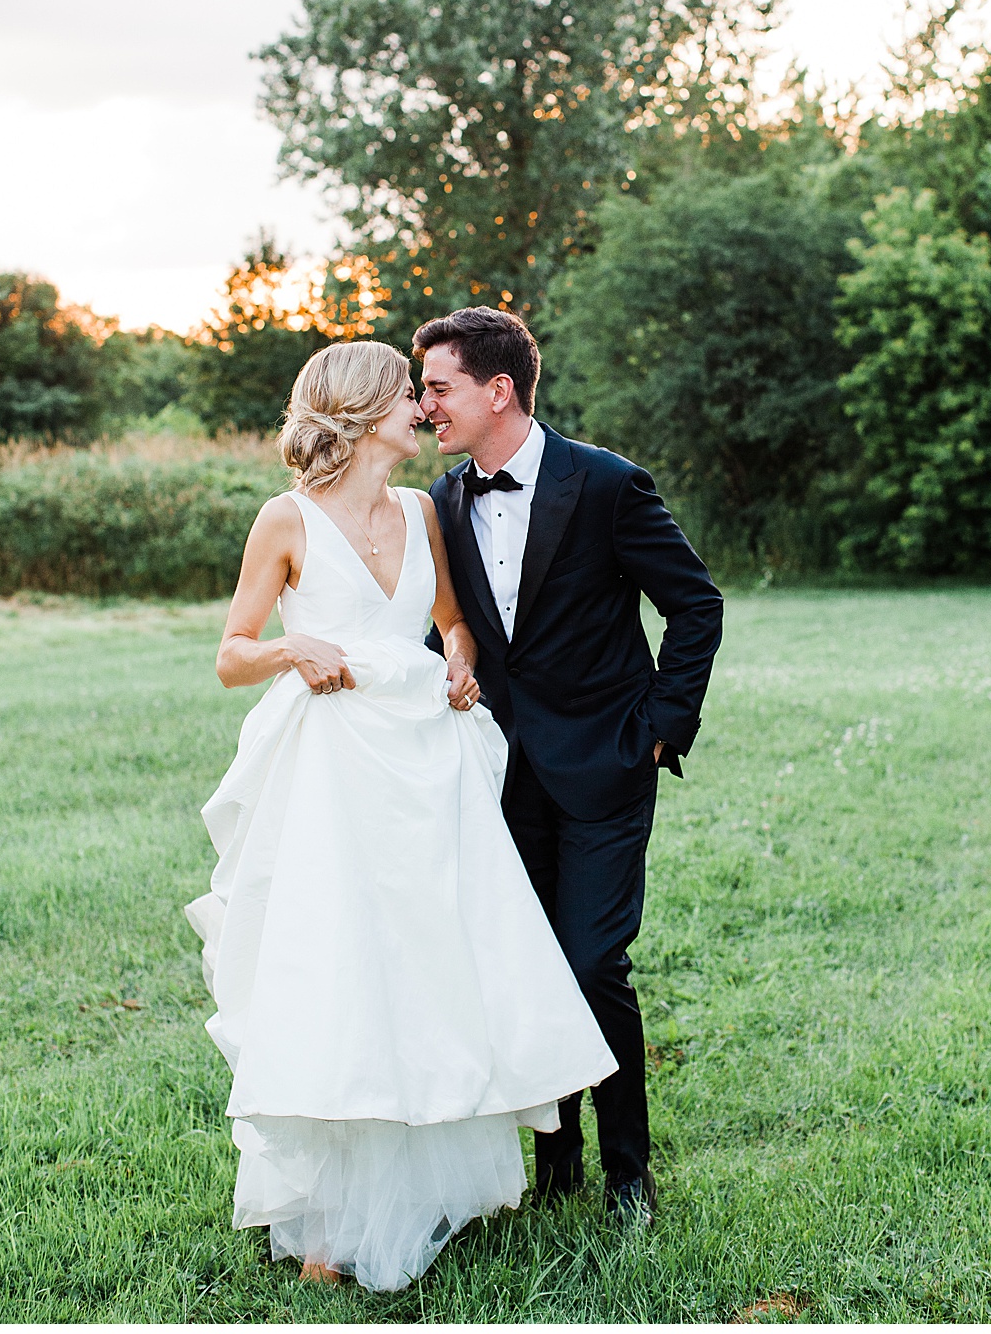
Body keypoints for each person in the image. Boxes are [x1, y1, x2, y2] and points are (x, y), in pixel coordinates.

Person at [185, 340, 617, 1293]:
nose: (423, 409)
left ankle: (432, 1185)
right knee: (347, 966)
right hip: (337, 768)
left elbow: (453, 620)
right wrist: (293, 646)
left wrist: (461, 659)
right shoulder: (284, 519)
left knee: (433, 960)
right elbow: (230, 653)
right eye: (406, 396)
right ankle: (335, 1218)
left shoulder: (425, 511)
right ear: (361, 411)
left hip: (429, 758)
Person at [415, 306, 724, 1226]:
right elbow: (447, 633)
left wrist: (664, 725)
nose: (425, 404)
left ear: (496, 389)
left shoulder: (606, 485)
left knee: (592, 965)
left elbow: (695, 604)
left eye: (439, 387)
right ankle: (558, 1164)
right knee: (526, 967)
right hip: (497, 774)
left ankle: (629, 1172)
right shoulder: (440, 502)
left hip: (606, 763)